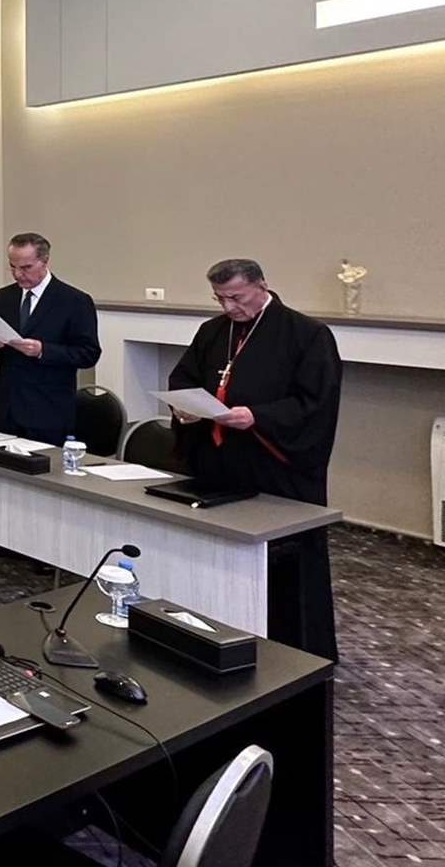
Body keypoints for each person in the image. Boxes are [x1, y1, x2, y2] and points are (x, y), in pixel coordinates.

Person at [167, 257, 341, 658]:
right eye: (220, 298)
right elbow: (184, 377)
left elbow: (315, 403)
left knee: (283, 570)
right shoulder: (212, 331)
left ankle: (294, 654)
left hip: (274, 467)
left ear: (261, 286)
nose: (229, 307)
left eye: (236, 297)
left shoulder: (307, 334)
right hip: (218, 462)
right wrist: (183, 407)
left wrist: (257, 417)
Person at [0, 232, 100, 444]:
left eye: (26, 267)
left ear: (44, 262)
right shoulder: (3, 297)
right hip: (6, 409)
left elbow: (88, 354)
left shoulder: (74, 301)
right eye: (12, 267)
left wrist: (43, 350)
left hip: (48, 411)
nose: (17, 274)